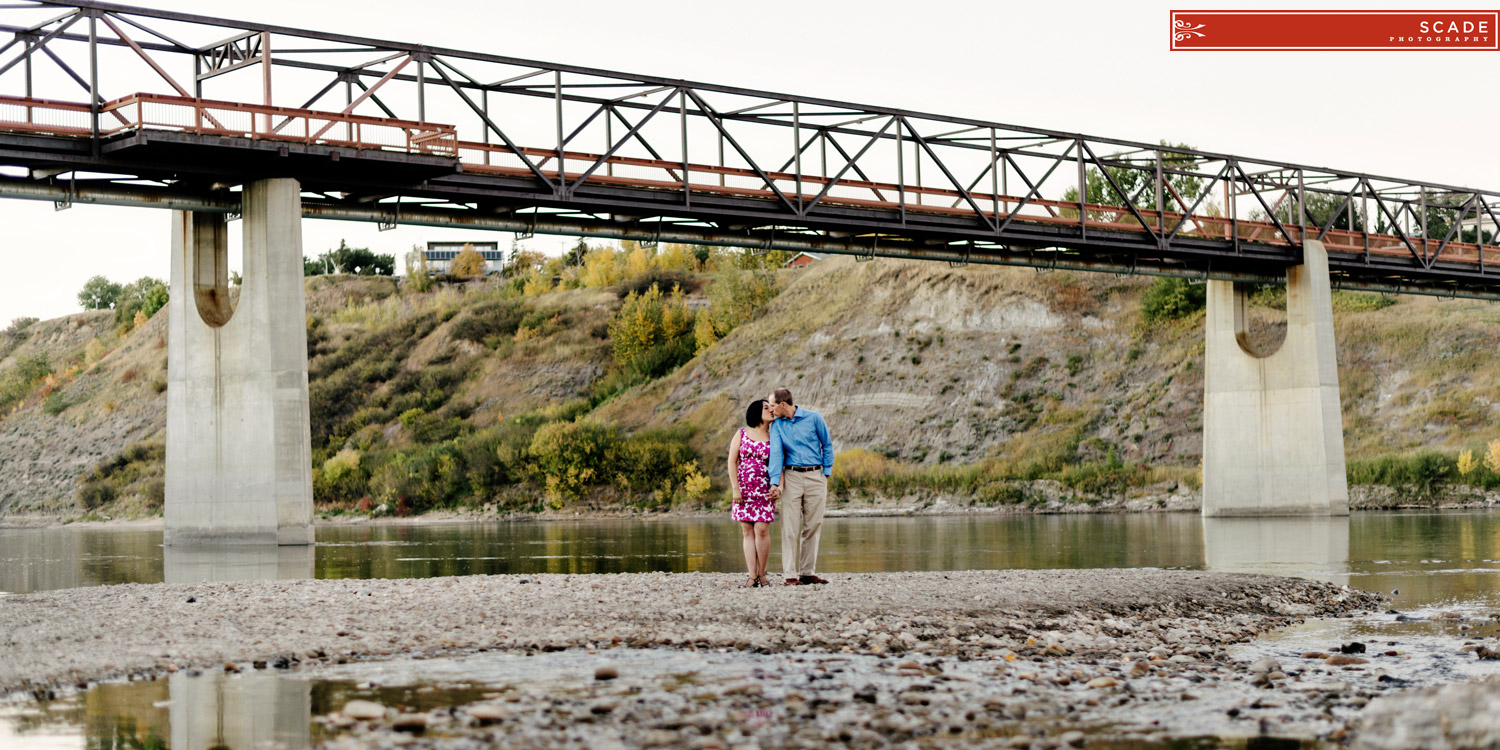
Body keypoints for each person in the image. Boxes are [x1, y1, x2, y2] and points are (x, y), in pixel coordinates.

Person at [767, 387, 834, 586]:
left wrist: (826, 472)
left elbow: (827, 444)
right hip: (791, 477)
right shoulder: (777, 426)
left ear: (783, 404)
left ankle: (807, 572)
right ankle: (789, 575)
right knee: (789, 527)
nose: (771, 410)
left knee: (813, 525)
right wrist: (774, 482)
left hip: (816, 476)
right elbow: (776, 454)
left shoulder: (814, 418)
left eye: (772, 405)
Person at [728, 399, 778, 588]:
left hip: (765, 490)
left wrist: (777, 487)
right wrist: (735, 488)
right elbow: (732, 461)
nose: (771, 411)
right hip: (743, 491)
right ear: (757, 412)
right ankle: (751, 575)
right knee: (747, 531)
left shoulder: (775, 436)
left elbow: (779, 464)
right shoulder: (741, 433)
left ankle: (763, 573)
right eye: (767, 408)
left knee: (762, 530)